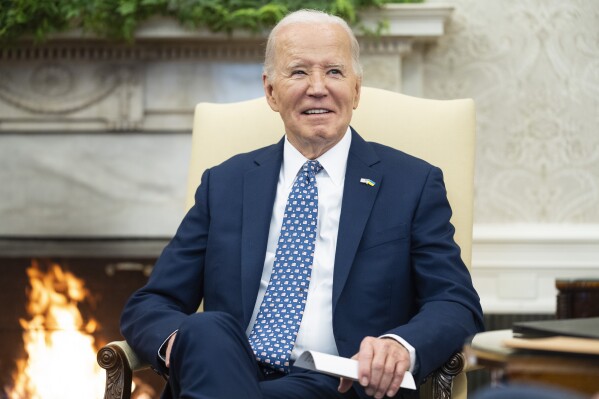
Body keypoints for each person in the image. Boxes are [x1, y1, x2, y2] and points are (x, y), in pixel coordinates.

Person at [121, 9, 484, 399]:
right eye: (298, 72)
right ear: (271, 91)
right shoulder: (224, 183)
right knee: (205, 329)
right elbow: (152, 302)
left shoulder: (411, 183)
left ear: (356, 89)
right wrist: (183, 343)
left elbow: (454, 301)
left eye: (334, 72)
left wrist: (398, 345)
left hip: (338, 383)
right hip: (227, 366)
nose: (317, 88)